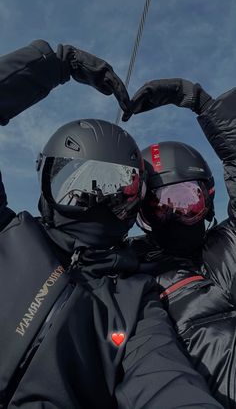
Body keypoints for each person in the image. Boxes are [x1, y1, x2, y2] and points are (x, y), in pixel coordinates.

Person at [0, 42, 223, 409]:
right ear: (45, 179)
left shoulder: (133, 301)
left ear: (133, 201)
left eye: (114, 188)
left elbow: (163, 378)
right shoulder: (8, 231)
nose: (96, 201)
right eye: (78, 185)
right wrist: (52, 64)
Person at [123, 78, 236, 408]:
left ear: (208, 200)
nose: (172, 215)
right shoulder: (134, 273)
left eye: (186, 200)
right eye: (157, 208)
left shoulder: (230, 241)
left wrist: (200, 103)